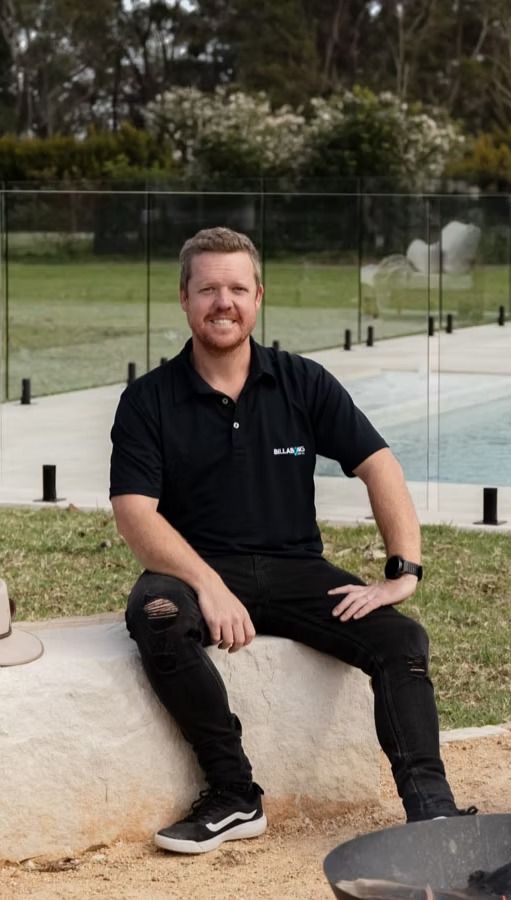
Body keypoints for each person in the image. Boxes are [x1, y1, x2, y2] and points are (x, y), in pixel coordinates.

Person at [110, 226, 473, 855]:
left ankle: (432, 813)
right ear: (184, 299)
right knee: (158, 615)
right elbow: (135, 514)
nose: (222, 302)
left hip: (295, 569)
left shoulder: (302, 382)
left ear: (258, 297)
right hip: (197, 569)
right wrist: (209, 585)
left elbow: (378, 464)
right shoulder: (149, 400)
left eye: (236, 289)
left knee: (402, 639)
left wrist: (403, 572)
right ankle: (234, 795)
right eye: (208, 290)